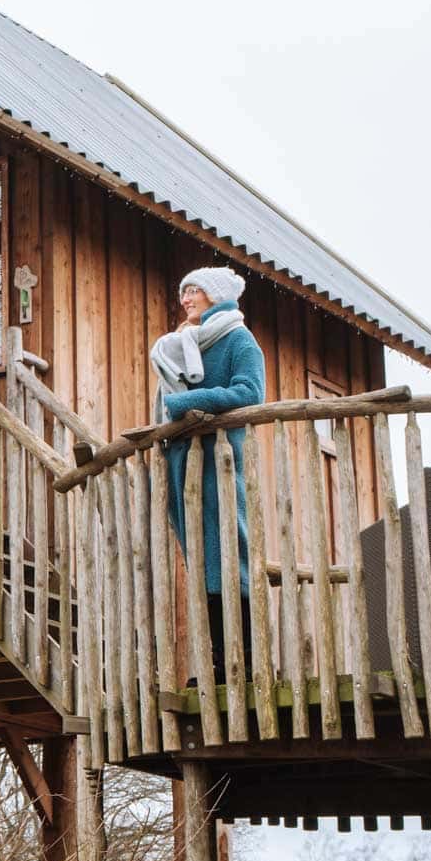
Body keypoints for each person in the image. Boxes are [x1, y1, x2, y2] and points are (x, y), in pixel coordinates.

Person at [152, 266, 266, 683]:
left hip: (219, 462)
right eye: (183, 292)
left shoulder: (239, 339)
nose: (185, 299)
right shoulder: (183, 344)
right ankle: (220, 666)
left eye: (194, 291)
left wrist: (190, 402)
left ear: (216, 295)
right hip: (184, 464)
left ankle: (247, 663)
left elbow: (251, 392)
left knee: (229, 559)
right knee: (201, 564)